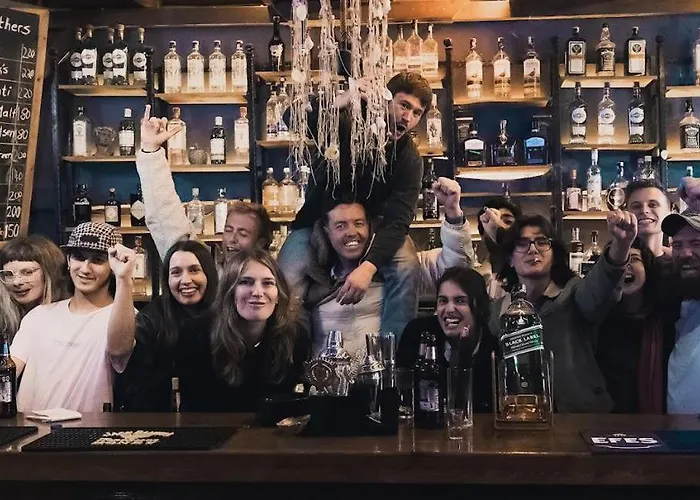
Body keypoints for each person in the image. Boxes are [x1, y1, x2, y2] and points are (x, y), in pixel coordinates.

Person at [278, 71, 434, 338]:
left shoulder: (409, 159)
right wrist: (339, 101)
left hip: (373, 230)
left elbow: (398, 222)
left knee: (407, 266)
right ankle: (292, 355)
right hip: (318, 223)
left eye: (417, 113)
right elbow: (290, 117)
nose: (407, 117)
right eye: (403, 105)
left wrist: (368, 267)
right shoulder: (348, 123)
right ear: (385, 100)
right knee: (285, 277)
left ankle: (395, 356)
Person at [305, 179, 473, 364]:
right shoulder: (311, 280)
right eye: (340, 225)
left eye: (358, 223)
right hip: (324, 380)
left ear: (370, 227)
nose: (351, 232)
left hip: (386, 378)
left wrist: (453, 212)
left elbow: (457, 269)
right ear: (326, 231)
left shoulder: (405, 269)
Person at [492, 210, 637, 413]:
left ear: (555, 255)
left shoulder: (574, 293)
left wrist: (621, 245)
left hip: (580, 415)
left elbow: (601, 288)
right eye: (522, 244)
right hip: (521, 416)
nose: (533, 249)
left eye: (542, 242)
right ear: (510, 259)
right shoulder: (498, 311)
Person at [10, 222, 137, 413]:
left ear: (112, 266)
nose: (85, 268)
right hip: (28, 428)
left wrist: (124, 278)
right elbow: (9, 370)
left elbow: (119, 350)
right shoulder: (38, 316)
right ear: (68, 260)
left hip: (88, 429)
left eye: (97, 260)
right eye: (79, 257)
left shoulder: (124, 316)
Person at [134, 104, 273, 263]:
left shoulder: (269, 277)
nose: (232, 239)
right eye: (228, 230)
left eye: (243, 234)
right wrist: (151, 151)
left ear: (260, 243)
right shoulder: (207, 270)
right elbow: (167, 220)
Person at [114, 239, 219, 412]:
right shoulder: (150, 319)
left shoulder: (226, 315)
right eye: (176, 273)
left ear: (209, 274)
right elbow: (136, 386)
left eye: (194, 270)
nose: (186, 280)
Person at [397, 267, 498, 413]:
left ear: (478, 306)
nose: (449, 309)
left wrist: (464, 355)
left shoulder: (493, 349)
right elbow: (403, 396)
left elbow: (474, 407)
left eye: (460, 301)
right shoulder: (417, 333)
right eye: (443, 301)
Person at [595, 239, 668, 414]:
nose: (625, 265)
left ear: (647, 267)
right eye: (619, 260)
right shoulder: (598, 320)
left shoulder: (666, 317)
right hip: (606, 418)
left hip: (658, 420)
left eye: (634, 259)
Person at [661, 208, 700, 414]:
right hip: (678, 431)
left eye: (696, 243)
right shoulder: (679, 303)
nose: (685, 253)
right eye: (677, 245)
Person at [0, 234, 69, 317]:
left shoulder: (67, 315)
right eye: (8, 274)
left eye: (27, 272)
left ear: (49, 273)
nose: (16, 282)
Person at [476, 197, 521, 299]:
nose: (497, 225)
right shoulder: (475, 280)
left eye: (508, 222)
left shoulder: (528, 274)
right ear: (482, 235)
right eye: (489, 221)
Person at [625, 180, 672, 258]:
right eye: (636, 206)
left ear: (669, 212)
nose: (644, 211)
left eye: (653, 205)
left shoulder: (680, 261)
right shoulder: (615, 261)